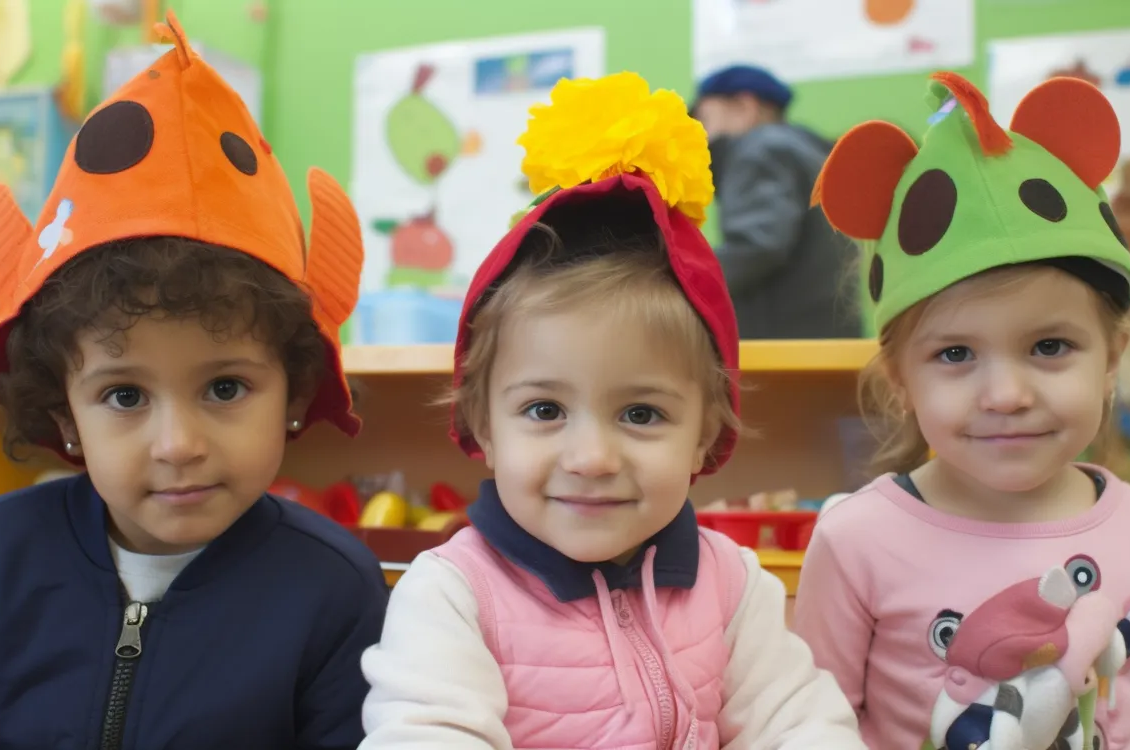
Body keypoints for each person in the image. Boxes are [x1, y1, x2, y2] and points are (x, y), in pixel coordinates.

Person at [0, 12, 387, 750]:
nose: (178, 444)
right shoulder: (0, 549)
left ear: (291, 389)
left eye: (225, 388)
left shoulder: (335, 586)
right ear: (65, 413)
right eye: (125, 396)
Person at [356, 71, 866, 749]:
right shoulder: (452, 593)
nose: (592, 459)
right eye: (543, 410)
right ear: (482, 424)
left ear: (704, 436)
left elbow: (798, 724)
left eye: (642, 414)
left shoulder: (732, 583)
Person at [794, 71, 1130, 749]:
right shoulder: (855, 542)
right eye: (955, 355)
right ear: (900, 379)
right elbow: (815, 726)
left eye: (1050, 346)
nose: (1006, 394)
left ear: (1112, 356)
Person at [691, 64, 860, 340]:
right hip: (823, 340)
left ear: (745, 107)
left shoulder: (760, 150)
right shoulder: (807, 152)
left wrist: (682, 277)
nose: (701, 136)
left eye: (704, 120)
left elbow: (758, 245)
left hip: (781, 346)